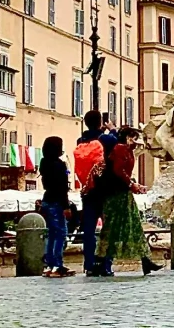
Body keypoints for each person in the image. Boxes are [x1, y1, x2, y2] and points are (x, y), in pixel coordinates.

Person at [96, 127, 159, 277]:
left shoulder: (127, 150)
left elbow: (123, 172)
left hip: (123, 194)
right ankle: (100, 261)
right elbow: (118, 170)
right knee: (114, 228)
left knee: (132, 227)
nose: (137, 141)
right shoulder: (120, 149)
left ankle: (145, 261)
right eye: (134, 137)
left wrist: (133, 185)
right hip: (116, 195)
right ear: (128, 137)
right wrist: (132, 184)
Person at [74, 112, 108, 277]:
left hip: (87, 190)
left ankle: (88, 264)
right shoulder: (106, 139)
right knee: (107, 230)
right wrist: (112, 130)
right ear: (101, 122)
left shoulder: (80, 141)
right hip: (105, 190)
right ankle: (105, 264)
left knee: (88, 231)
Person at [38, 134, 73, 276]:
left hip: (47, 199)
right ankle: (57, 265)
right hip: (57, 202)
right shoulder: (59, 165)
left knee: (51, 234)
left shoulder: (43, 163)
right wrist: (66, 206)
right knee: (61, 234)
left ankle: (49, 265)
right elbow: (62, 187)